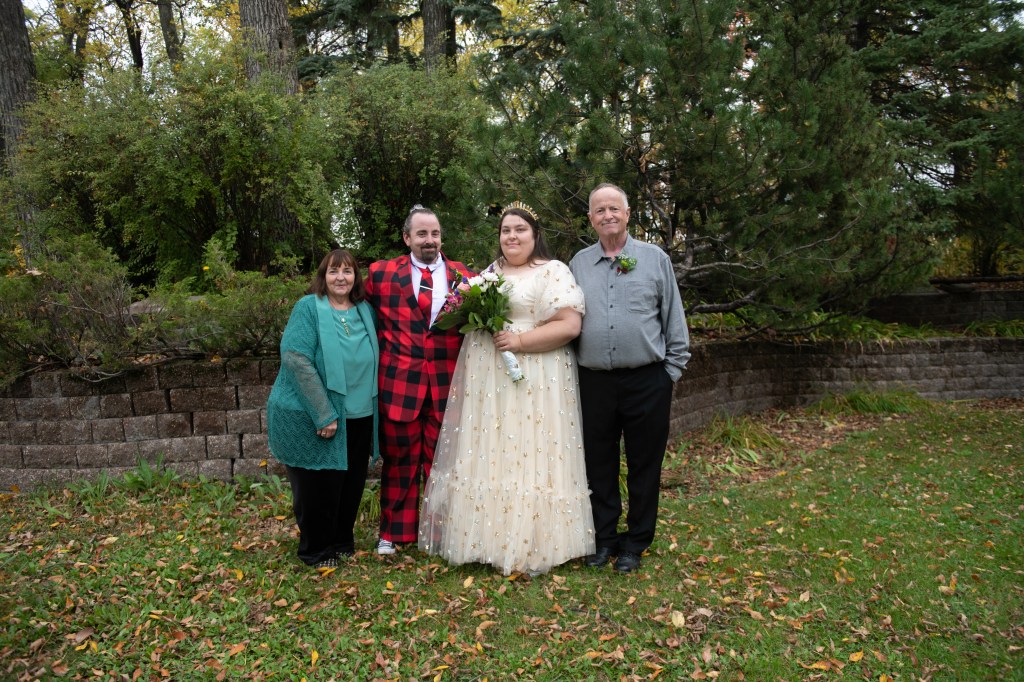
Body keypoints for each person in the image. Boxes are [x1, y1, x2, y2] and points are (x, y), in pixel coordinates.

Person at [418, 203, 595, 576]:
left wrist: (520, 341)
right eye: (505, 230)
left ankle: (535, 541)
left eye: (520, 230)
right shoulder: (490, 273)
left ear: (535, 235)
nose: (512, 236)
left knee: (531, 447)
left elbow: (569, 325)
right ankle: (484, 539)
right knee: (493, 448)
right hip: (491, 378)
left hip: (537, 375)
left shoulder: (553, 271)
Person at [569, 183, 691, 574]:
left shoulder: (654, 259)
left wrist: (670, 373)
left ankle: (636, 543)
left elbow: (673, 318)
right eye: (599, 210)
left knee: (644, 465)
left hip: (648, 381)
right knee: (598, 464)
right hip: (594, 382)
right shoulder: (578, 265)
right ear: (590, 218)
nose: (607, 215)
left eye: (614, 208)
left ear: (627, 213)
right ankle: (605, 539)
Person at [365, 206, 474, 555]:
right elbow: (355, 309)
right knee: (399, 460)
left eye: (435, 233)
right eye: (422, 234)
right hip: (399, 384)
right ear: (407, 237)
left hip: (446, 383)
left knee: (442, 462)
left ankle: (439, 535)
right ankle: (393, 533)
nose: (430, 240)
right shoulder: (381, 275)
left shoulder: (465, 277)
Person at [267, 249, 380, 569]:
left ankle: (342, 541)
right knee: (319, 486)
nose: (341, 278)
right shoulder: (308, 308)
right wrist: (323, 412)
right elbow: (296, 359)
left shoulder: (365, 311)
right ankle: (316, 550)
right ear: (323, 276)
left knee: (351, 483)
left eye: (347, 271)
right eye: (333, 271)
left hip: (360, 412)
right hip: (321, 414)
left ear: (356, 277)